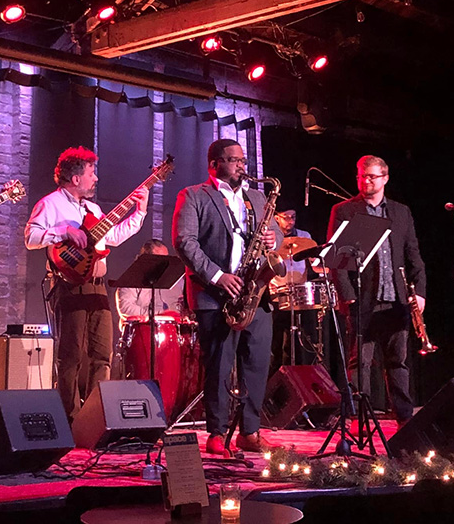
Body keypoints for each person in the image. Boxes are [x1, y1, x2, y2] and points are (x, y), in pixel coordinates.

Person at [172, 139, 282, 454]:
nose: (241, 166)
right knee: (219, 365)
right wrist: (219, 277)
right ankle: (216, 434)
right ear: (214, 163)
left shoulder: (258, 197)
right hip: (214, 294)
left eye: (243, 160)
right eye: (234, 160)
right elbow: (184, 241)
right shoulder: (193, 195)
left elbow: (275, 234)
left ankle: (249, 431)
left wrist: (275, 237)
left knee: (257, 363)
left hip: (254, 291)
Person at [24, 146, 148, 420]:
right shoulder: (50, 203)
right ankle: (68, 418)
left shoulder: (93, 208)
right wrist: (63, 231)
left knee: (102, 354)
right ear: (76, 177)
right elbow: (31, 237)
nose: (96, 179)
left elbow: (112, 237)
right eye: (92, 172)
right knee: (71, 356)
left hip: (98, 285)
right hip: (69, 284)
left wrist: (139, 212)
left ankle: (95, 416)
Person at [327, 155, 426, 428]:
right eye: (361, 175)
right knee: (360, 362)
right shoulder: (344, 210)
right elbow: (337, 260)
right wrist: (348, 296)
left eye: (371, 176)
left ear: (385, 178)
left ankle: (404, 418)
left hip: (396, 299)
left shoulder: (400, 211)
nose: (365, 180)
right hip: (362, 299)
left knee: (398, 361)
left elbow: (413, 255)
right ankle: (358, 416)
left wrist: (420, 293)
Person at [269, 204, 318, 373]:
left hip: (299, 295)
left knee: (298, 342)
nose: (291, 221)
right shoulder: (270, 238)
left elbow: (313, 264)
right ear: (277, 218)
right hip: (277, 294)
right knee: (276, 342)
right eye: (286, 217)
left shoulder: (305, 237)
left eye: (293, 217)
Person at [115, 239, 185, 320]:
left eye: (166, 259)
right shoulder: (131, 278)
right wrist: (158, 315)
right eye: (160, 259)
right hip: (143, 326)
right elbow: (125, 308)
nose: (164, 263)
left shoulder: (174, 278)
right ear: (147, 260)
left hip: (173, 326)